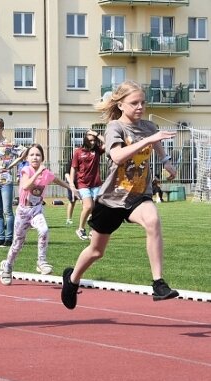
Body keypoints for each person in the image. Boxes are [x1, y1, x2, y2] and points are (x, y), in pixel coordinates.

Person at [62, 80, 180, 309]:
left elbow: (157, 145)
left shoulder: (149, 127)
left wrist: (166, 162)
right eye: (134, 103)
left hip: (138, 196)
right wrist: (148, 140)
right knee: (97, 251)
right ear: (121, 105)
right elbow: (117, 156)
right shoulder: (115, 127)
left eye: (143, 102)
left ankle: (158, 283)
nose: (140, 107)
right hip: (112, 199)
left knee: (153, 221)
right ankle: (72, 278)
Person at [0, 144, 79, 284]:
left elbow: (55, 179)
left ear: (42, 157)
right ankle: (8, 266)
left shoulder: (46, 173)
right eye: (32, 155)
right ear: (27, 158)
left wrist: (70, 188)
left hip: (36, 210)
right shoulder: (26, 170)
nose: (35, 157)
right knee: (17, 244)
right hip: (23, 212)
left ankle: (41, 262)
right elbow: (25, 186)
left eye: (38, 155)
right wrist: (37, 173)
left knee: (44, 230)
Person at [0, 117, 27, 248]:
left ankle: (9, 238)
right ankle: (0, 237)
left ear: (2, 129)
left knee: (7, 211)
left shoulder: (9, 143)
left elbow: (25, 152)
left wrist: (14, 164)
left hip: (6, 182)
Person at [71, 129, 105, 240]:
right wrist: (72, 185)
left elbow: (108, 143)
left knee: (96, 209)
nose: (93, 142)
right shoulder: (78, 152)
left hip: (96, 184)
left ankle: (92, 231)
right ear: (85, 140)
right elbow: (73, 168)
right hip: (83, 184)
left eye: (94, 140)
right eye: (90, 140)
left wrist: (96, 134)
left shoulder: (97, 151)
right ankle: (80, 229)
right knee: (88, 206)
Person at [63, 152, 77, 226]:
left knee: (85, 201)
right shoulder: (71, 162)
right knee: (72, 201)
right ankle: (69, 219)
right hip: (72, 184)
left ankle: (89, 217)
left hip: (81, 183)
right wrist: (71, 183)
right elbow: (66, 173)